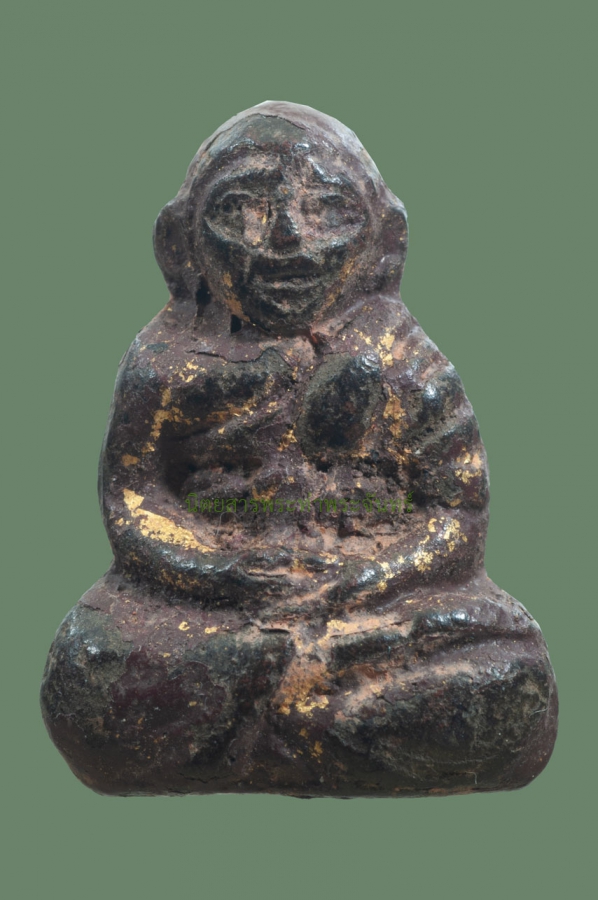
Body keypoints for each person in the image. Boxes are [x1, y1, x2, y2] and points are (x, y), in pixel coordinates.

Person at [41, 102, 557, 797]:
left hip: (371, 610)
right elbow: (133, 497)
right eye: (241, 209)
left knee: (509, 663)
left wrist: (365, 581)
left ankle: (263, 721)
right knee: (90, 663)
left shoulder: (404, 360)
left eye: (329, 210)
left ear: (384, 239)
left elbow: (457, 513)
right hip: (219, 610)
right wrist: (217, 572)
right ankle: (331, 719)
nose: (287, 238)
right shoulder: (166, 365)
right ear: (180, 242)